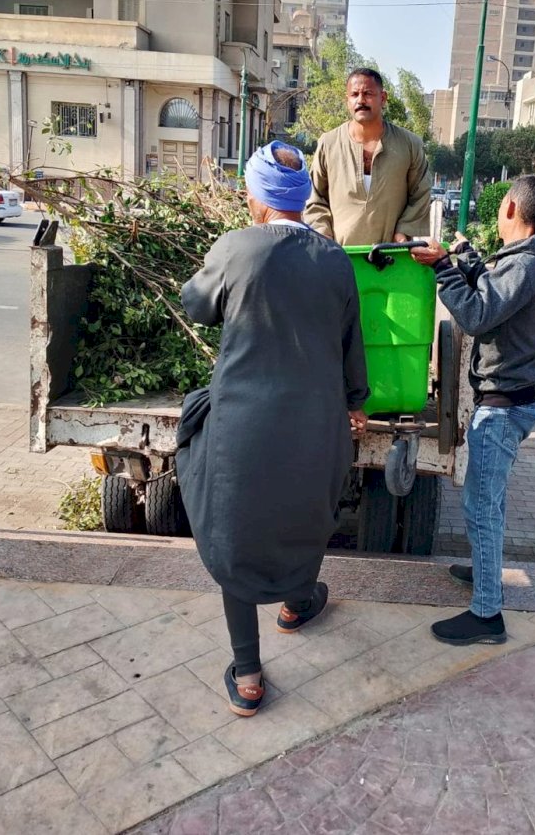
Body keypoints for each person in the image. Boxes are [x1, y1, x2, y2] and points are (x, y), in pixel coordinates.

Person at [176, 142, 369, 717]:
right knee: (303, 510)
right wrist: (356, 403)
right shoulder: (334, 259)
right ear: (302, 197)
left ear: (258, 199)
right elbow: (349, 347)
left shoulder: (236, 248)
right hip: (315, 422)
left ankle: (250, 673)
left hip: (245, 425)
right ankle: (298, 602)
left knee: (236, 526)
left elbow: (196, 305)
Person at [411, 175, 535, 646]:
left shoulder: (529, 266)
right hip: (511, 398)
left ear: (513, 209)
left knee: (482, 507)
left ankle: (487, 616)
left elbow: (476, 315)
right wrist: (463, 259)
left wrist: (441, 269)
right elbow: (492, 294)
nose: (498, 215)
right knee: (486, 502)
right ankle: (484, 571)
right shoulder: (522, 261)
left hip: (502, 407)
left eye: (501, 208)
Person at [305, 68, 432, 245]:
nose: (361, 100)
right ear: (347, 100)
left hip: (390, 258)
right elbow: (314, 196)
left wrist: (403, 232)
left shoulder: (409, 144)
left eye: (368, 93)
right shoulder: (329, 143)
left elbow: (421, 193)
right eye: (354, 94)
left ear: (383, 98)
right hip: (338, 258)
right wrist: (323, 235)